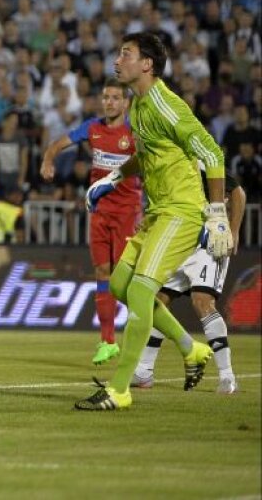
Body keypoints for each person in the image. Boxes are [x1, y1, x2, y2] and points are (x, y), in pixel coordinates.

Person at [75, 32, 229, 411]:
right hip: (158, 210)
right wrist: (112, 179)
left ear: (147, 64)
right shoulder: (140, 106)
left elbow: (212, 152)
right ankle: (190, 348)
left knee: (142, 292)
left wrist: (218, 215)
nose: (116, 60)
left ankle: (120, 389)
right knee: (119, 284)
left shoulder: (165, 105)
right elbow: (145, 155)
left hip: (181, 209)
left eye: (124, 54)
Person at [40, 80, 142, 365]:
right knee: (101, 271)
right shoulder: (92, 127)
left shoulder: (134, 133)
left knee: (125, 281)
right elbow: (57, 144)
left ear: (126, 104)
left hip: (126, 213)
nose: (109, 102)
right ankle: (107, 341)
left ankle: (143, 345)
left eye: (115, 98)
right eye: (106, 97)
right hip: (98, 212)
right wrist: (48, 160)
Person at [133, 172, 247, 394]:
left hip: (208, 235)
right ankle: (143, 371)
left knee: (202, 301)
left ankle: (227, 376)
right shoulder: (160, 168)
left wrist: (234, 230)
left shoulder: (195, 161)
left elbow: (237, 192)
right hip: (179, 237)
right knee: (158, 303)